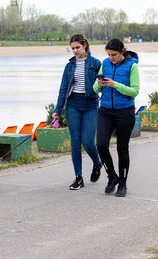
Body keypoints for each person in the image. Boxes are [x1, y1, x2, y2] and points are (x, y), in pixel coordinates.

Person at [52, 34, 102, 190]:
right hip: (73, 104)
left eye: (77, 47)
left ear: (85, 45)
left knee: (88, 142)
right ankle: (78, 177)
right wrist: (57, 110)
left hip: (90, 105)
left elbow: (102, 86)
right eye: (72, 48)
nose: (74, 51)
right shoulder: (69, 66)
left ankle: (97, 163)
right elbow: (62, 90)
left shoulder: (96, 63)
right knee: (75, 143)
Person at [93, 38, 140, 197]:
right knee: (100, 144)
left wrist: (115, 85)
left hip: (124, 112)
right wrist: (100, 83)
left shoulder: (131, 66)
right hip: (105, 111)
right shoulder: (104, 63)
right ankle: (112, 176)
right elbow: (95, 88)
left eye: (114, 55)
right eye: (109, 54)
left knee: (122, 148)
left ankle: (123, 184)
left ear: (122, 52)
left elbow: (134, 91)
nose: (111, 58)